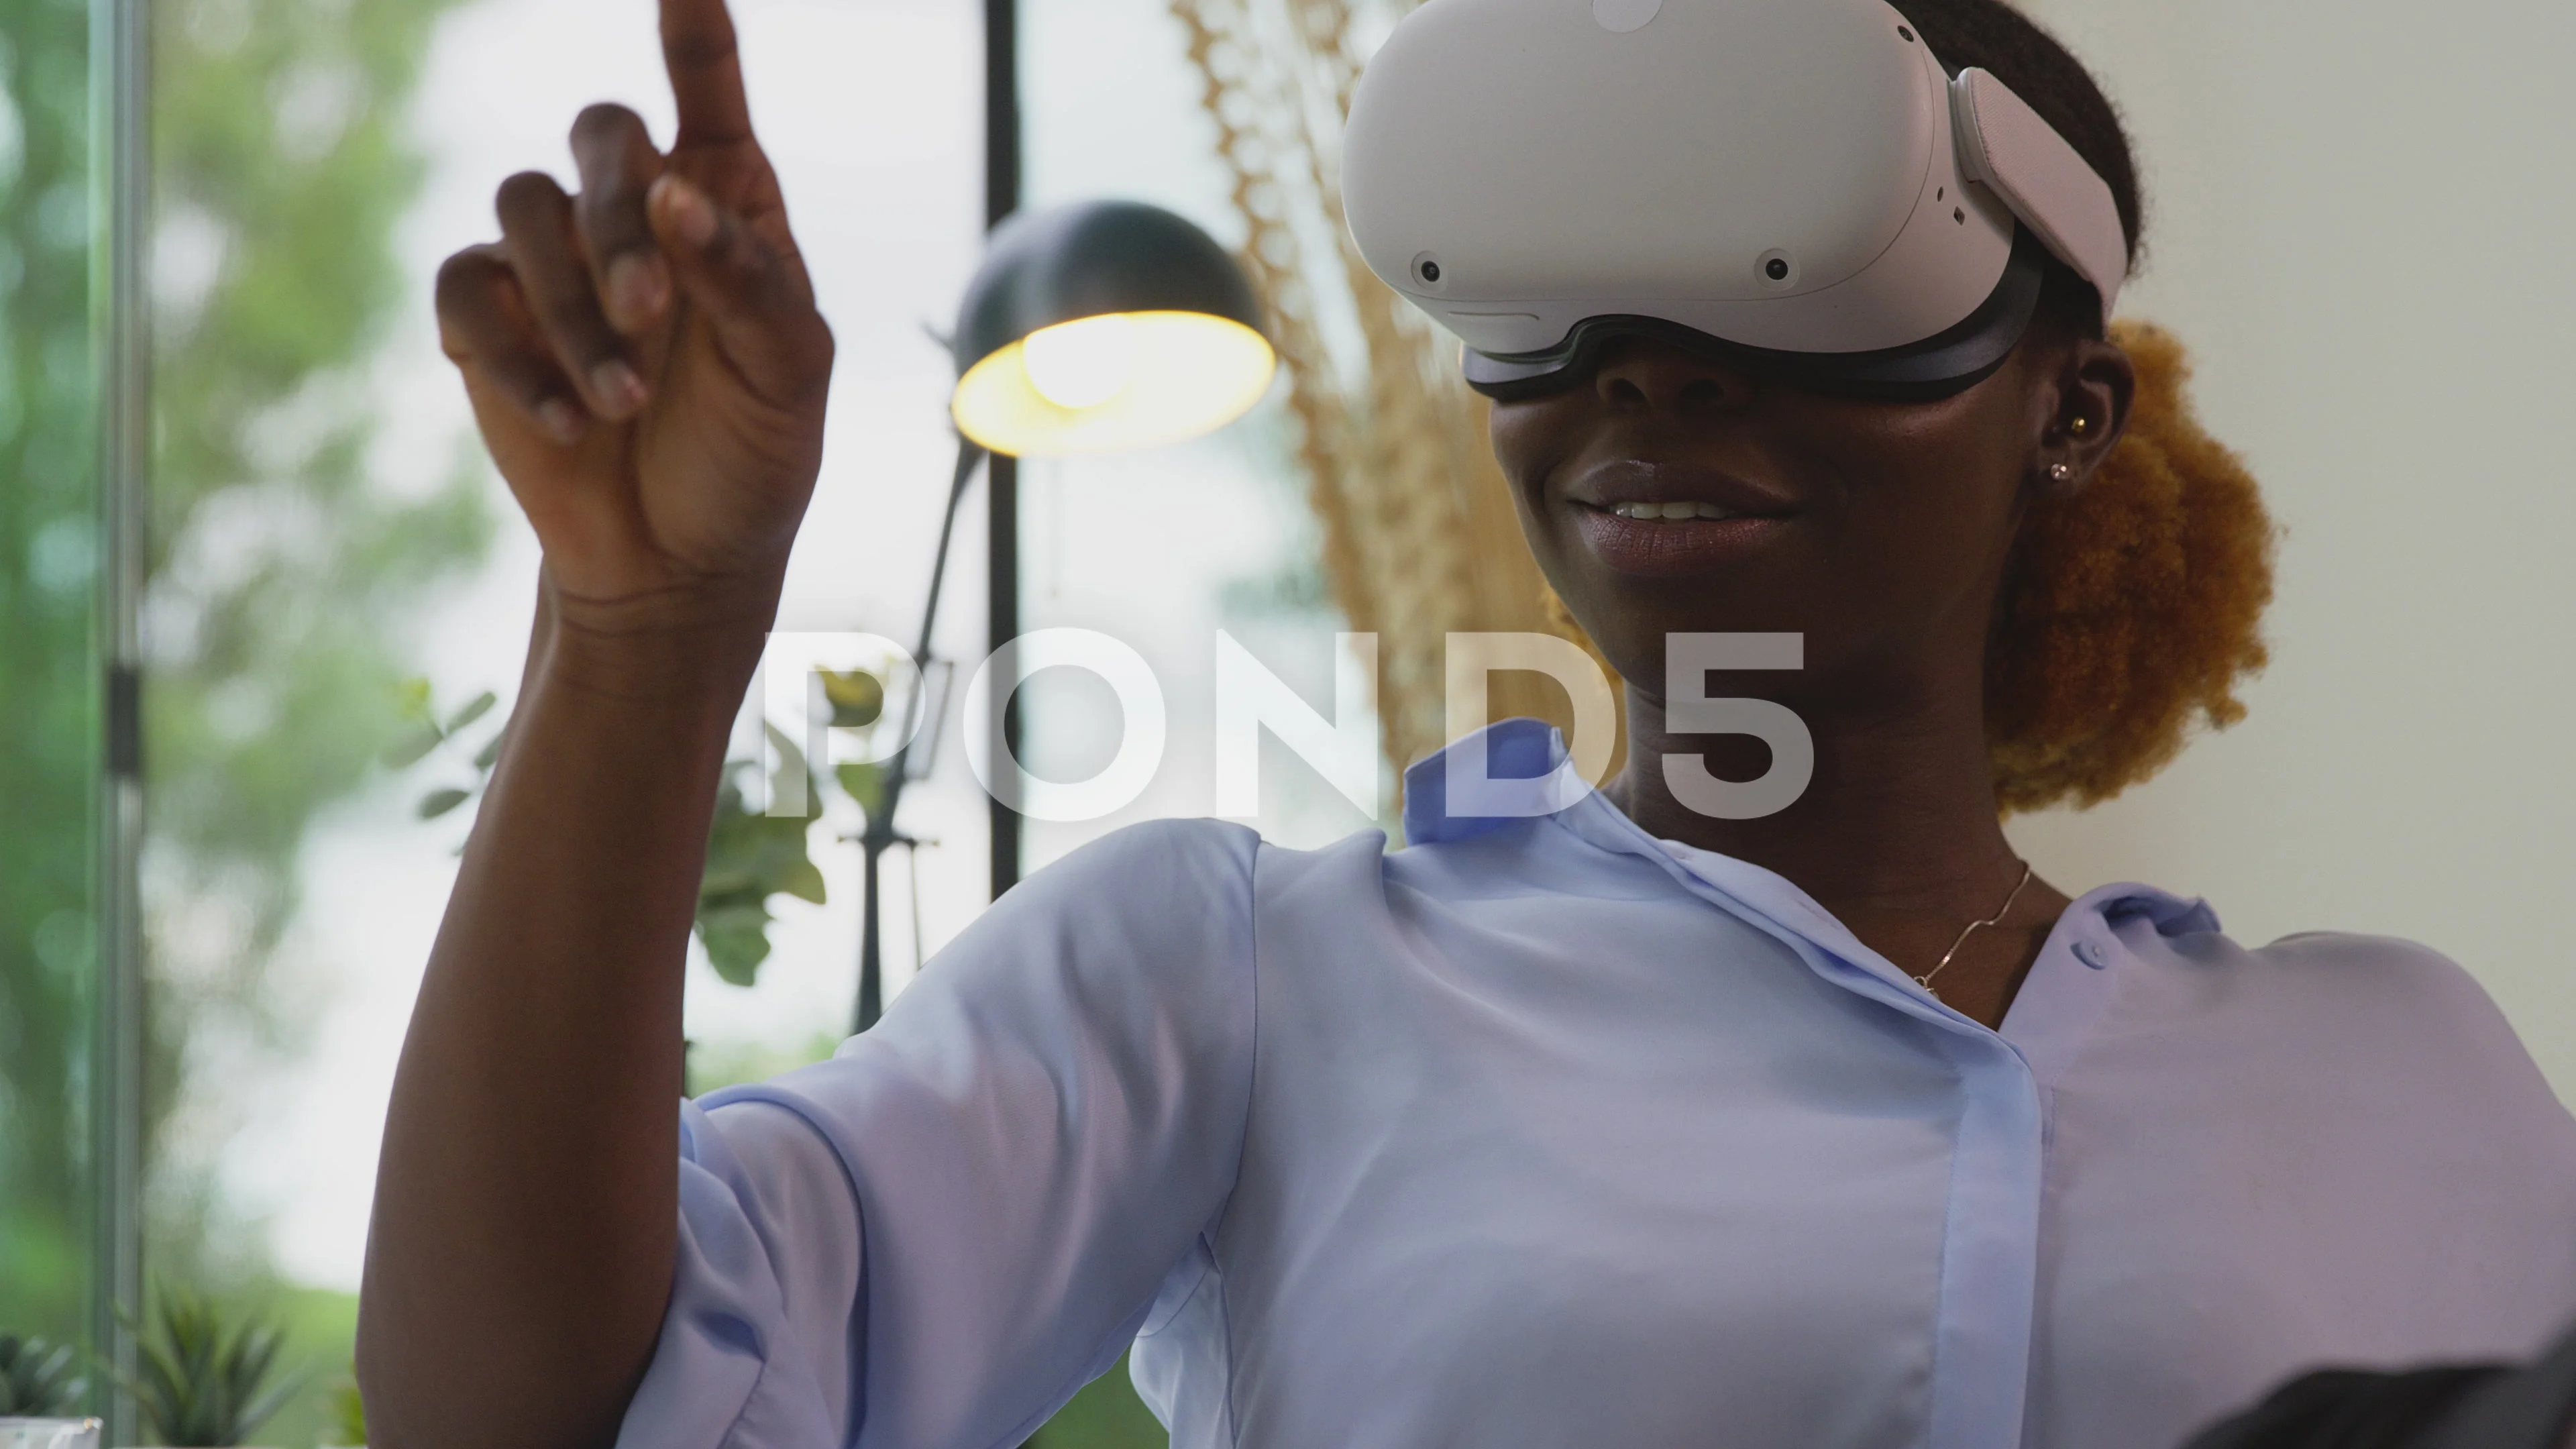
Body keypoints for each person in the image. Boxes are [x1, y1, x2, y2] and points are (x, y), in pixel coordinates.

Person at [354, 1, 2576, 1446]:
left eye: (1791, 263)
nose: (1653, 362)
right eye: (1568, 288)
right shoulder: (1249, 977)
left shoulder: (2407, 1069)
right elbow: (539, 1413)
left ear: (2067, 409)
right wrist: (646, 632)